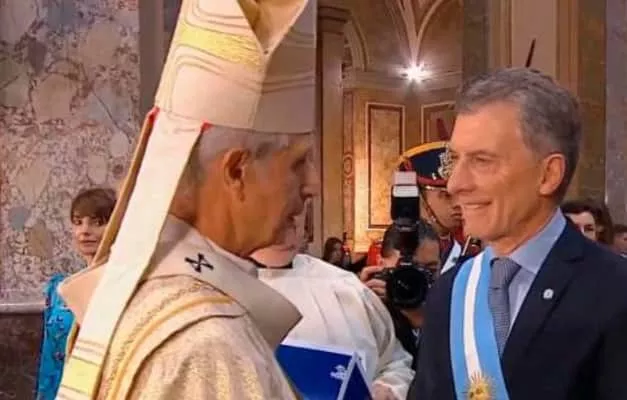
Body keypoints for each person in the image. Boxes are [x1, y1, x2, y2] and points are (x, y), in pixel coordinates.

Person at [54, 1, 319, 399]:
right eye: (298, 163)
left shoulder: (151, 294)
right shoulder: (207, 346)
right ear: (237, 171)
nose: (312, 184)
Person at [411, 68, 627, 400]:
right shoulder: (449, 292)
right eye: (455, 159)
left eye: (482, 161)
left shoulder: (614, 291)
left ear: (548, 174)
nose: (455, 184)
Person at [251, 208, 414, 400]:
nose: (288, 218)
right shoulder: (223, 289)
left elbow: (395, 363)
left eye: (298, 203)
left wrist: (387, 390)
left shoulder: (346, 287)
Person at [36, 188, 116, 400]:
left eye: (97, 222)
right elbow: (49, 363)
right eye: (78, 222)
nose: (85, 231)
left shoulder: (124, 287)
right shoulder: (59, 289)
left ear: (117, 226)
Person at [397, 141, 465, 272]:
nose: (458, 204)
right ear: (419, 197)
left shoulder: (470, 251)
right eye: (447, 196)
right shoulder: (394, 248)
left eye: (462, 195)